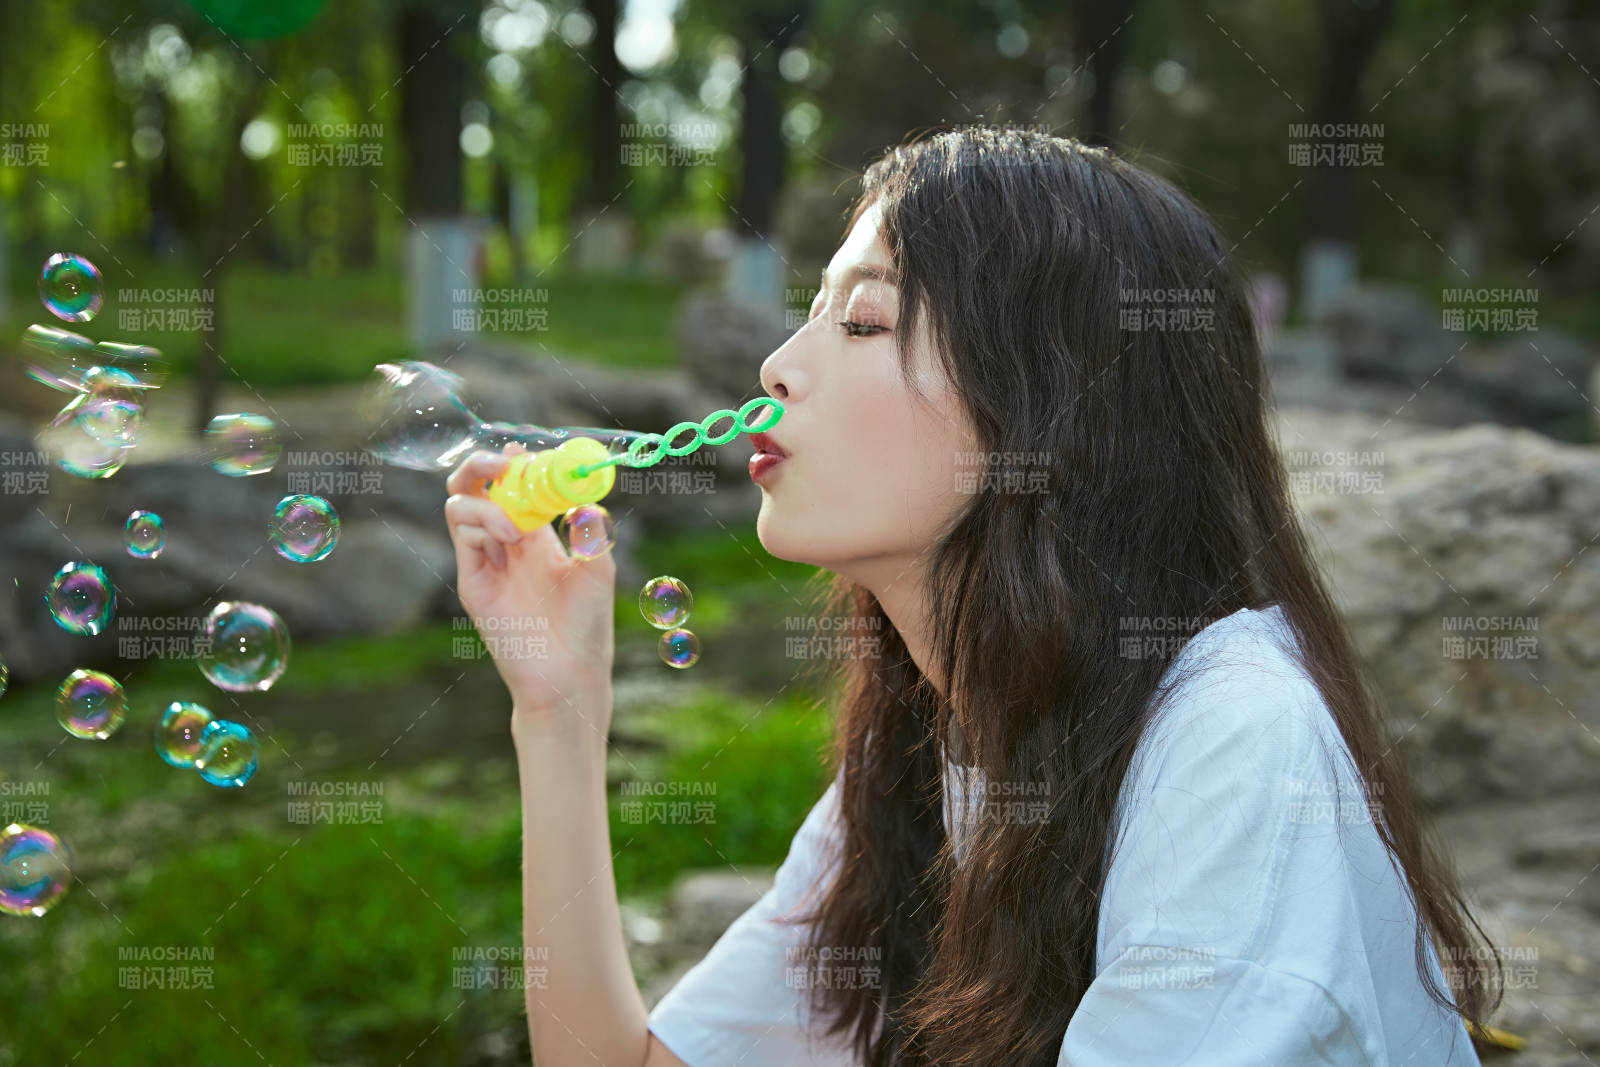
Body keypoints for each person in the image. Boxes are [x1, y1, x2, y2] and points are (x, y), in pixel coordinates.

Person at [444, 125, 1502, 1067]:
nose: (775, 366)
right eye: (810, 313)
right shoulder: (940, 749)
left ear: (1046, 400)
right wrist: (558, 709)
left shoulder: (1233, 738)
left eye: (861, 320)